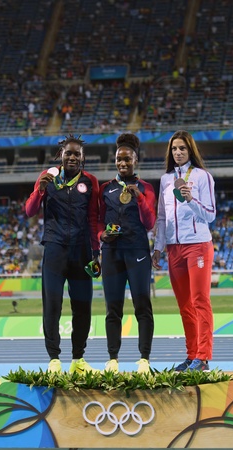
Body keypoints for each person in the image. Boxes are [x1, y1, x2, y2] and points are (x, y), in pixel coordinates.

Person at [25, 134, 100, 374]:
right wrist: (40, 190)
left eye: (77, 154)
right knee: (52, 306)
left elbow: (93, 218)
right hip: (55, 250)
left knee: (82, 307)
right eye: (68, 153)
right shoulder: (47, 177)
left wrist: (96, 252)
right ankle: (54, 360)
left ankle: (78, 359)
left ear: (83, 157)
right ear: (61, 155)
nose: (72, 157)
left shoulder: (90, 181)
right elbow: (30, 211)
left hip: (82, 251)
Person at [152, 130, 216, 372]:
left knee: (200, 300)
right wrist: (158, 247)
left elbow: (210, 214)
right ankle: (192, 355)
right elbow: (161, 217)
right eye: (174, 149)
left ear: (190, 150)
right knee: (185, 305)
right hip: (173, 248)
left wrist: (191, 200)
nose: (178, 152)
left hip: (198, 244)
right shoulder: (166, 180)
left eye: (182, 148)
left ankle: (203, 357)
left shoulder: (202, 177)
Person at [98, 133, 156, 374]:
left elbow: (150, 222)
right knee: (113, 308)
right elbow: (97, 221)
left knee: (142, 305)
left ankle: (144, 359)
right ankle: (113, 359)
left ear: (135, 160)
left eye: (127, 159)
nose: (123, 163)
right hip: (112, 253)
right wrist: (102, 235)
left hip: (137, 252)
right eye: (119, 159)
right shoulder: (105, 189)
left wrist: (139, 198)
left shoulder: (146, 188)